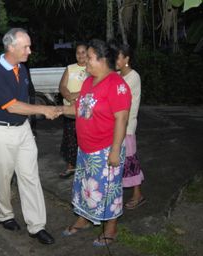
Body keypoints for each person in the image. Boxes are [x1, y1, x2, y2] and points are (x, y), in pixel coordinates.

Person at [0, 28, 61, 245]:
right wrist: (43, 110)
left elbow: (24, 100)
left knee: (30, 177)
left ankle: (37, 226)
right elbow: (12, 106)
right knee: (3, 178)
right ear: (11, 47)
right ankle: (5, 214)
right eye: (26, 46)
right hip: (1, 131)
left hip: (23, 130)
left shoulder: (23, 69)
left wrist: (36, 115)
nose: (30, 50)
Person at [61, 39, 131, 247]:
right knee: (85, 186)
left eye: (90, 58)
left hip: (106, 148)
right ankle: (83, 219)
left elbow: (122, 119)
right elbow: (80, 110)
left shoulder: (117, 85)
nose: (86, 62)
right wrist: (56, 110)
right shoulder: (87, 82)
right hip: (86, 148)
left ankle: (111, 229)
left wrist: (116, 150)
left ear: (103, 59)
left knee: (108, 189)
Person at [116, 45, 145, 210]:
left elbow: (127, 103)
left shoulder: (133, 77)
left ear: (127, 59)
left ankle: (138, 194)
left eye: (118, 57)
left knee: (130, 161)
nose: (116, 61)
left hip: (127, 126)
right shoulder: (118, 75)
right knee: (121, 161)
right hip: (117, 125)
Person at [59, 42, 88, 179]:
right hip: (70, 112)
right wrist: (68, 96)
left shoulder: (91, 68)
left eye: (83, 52)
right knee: (70, 139)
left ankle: (85, 168)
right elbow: (62, 86)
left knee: (84, 140)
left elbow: (90, 89)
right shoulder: (70, 68)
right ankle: (71, 167)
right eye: (78, 52)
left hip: (85, 112)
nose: (80, 55)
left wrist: (74, 95)